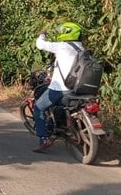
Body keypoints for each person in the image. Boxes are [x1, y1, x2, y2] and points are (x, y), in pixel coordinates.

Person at [33, 22, 84, 152]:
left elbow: (40, 45)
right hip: (77, 89)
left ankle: (44, 138)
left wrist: (42, 34)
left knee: (39, 107)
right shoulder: (81, 49)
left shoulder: (62, 46)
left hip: (61, 88)